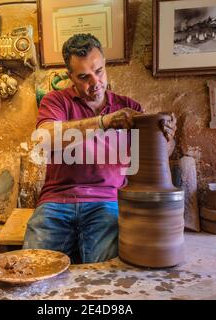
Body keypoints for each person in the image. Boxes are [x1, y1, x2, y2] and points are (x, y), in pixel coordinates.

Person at [23, 34, 177, 263]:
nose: (95, 83)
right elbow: (43, 139)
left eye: (99, 71)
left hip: (107, 200)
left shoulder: (129, 108)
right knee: (32, 268)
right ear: (71, 77)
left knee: (106, 274)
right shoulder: (56, 101)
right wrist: (103, 122)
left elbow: (156, 155)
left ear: (105, 64)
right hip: (57, 201)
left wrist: (166, 137)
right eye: (84, 77)